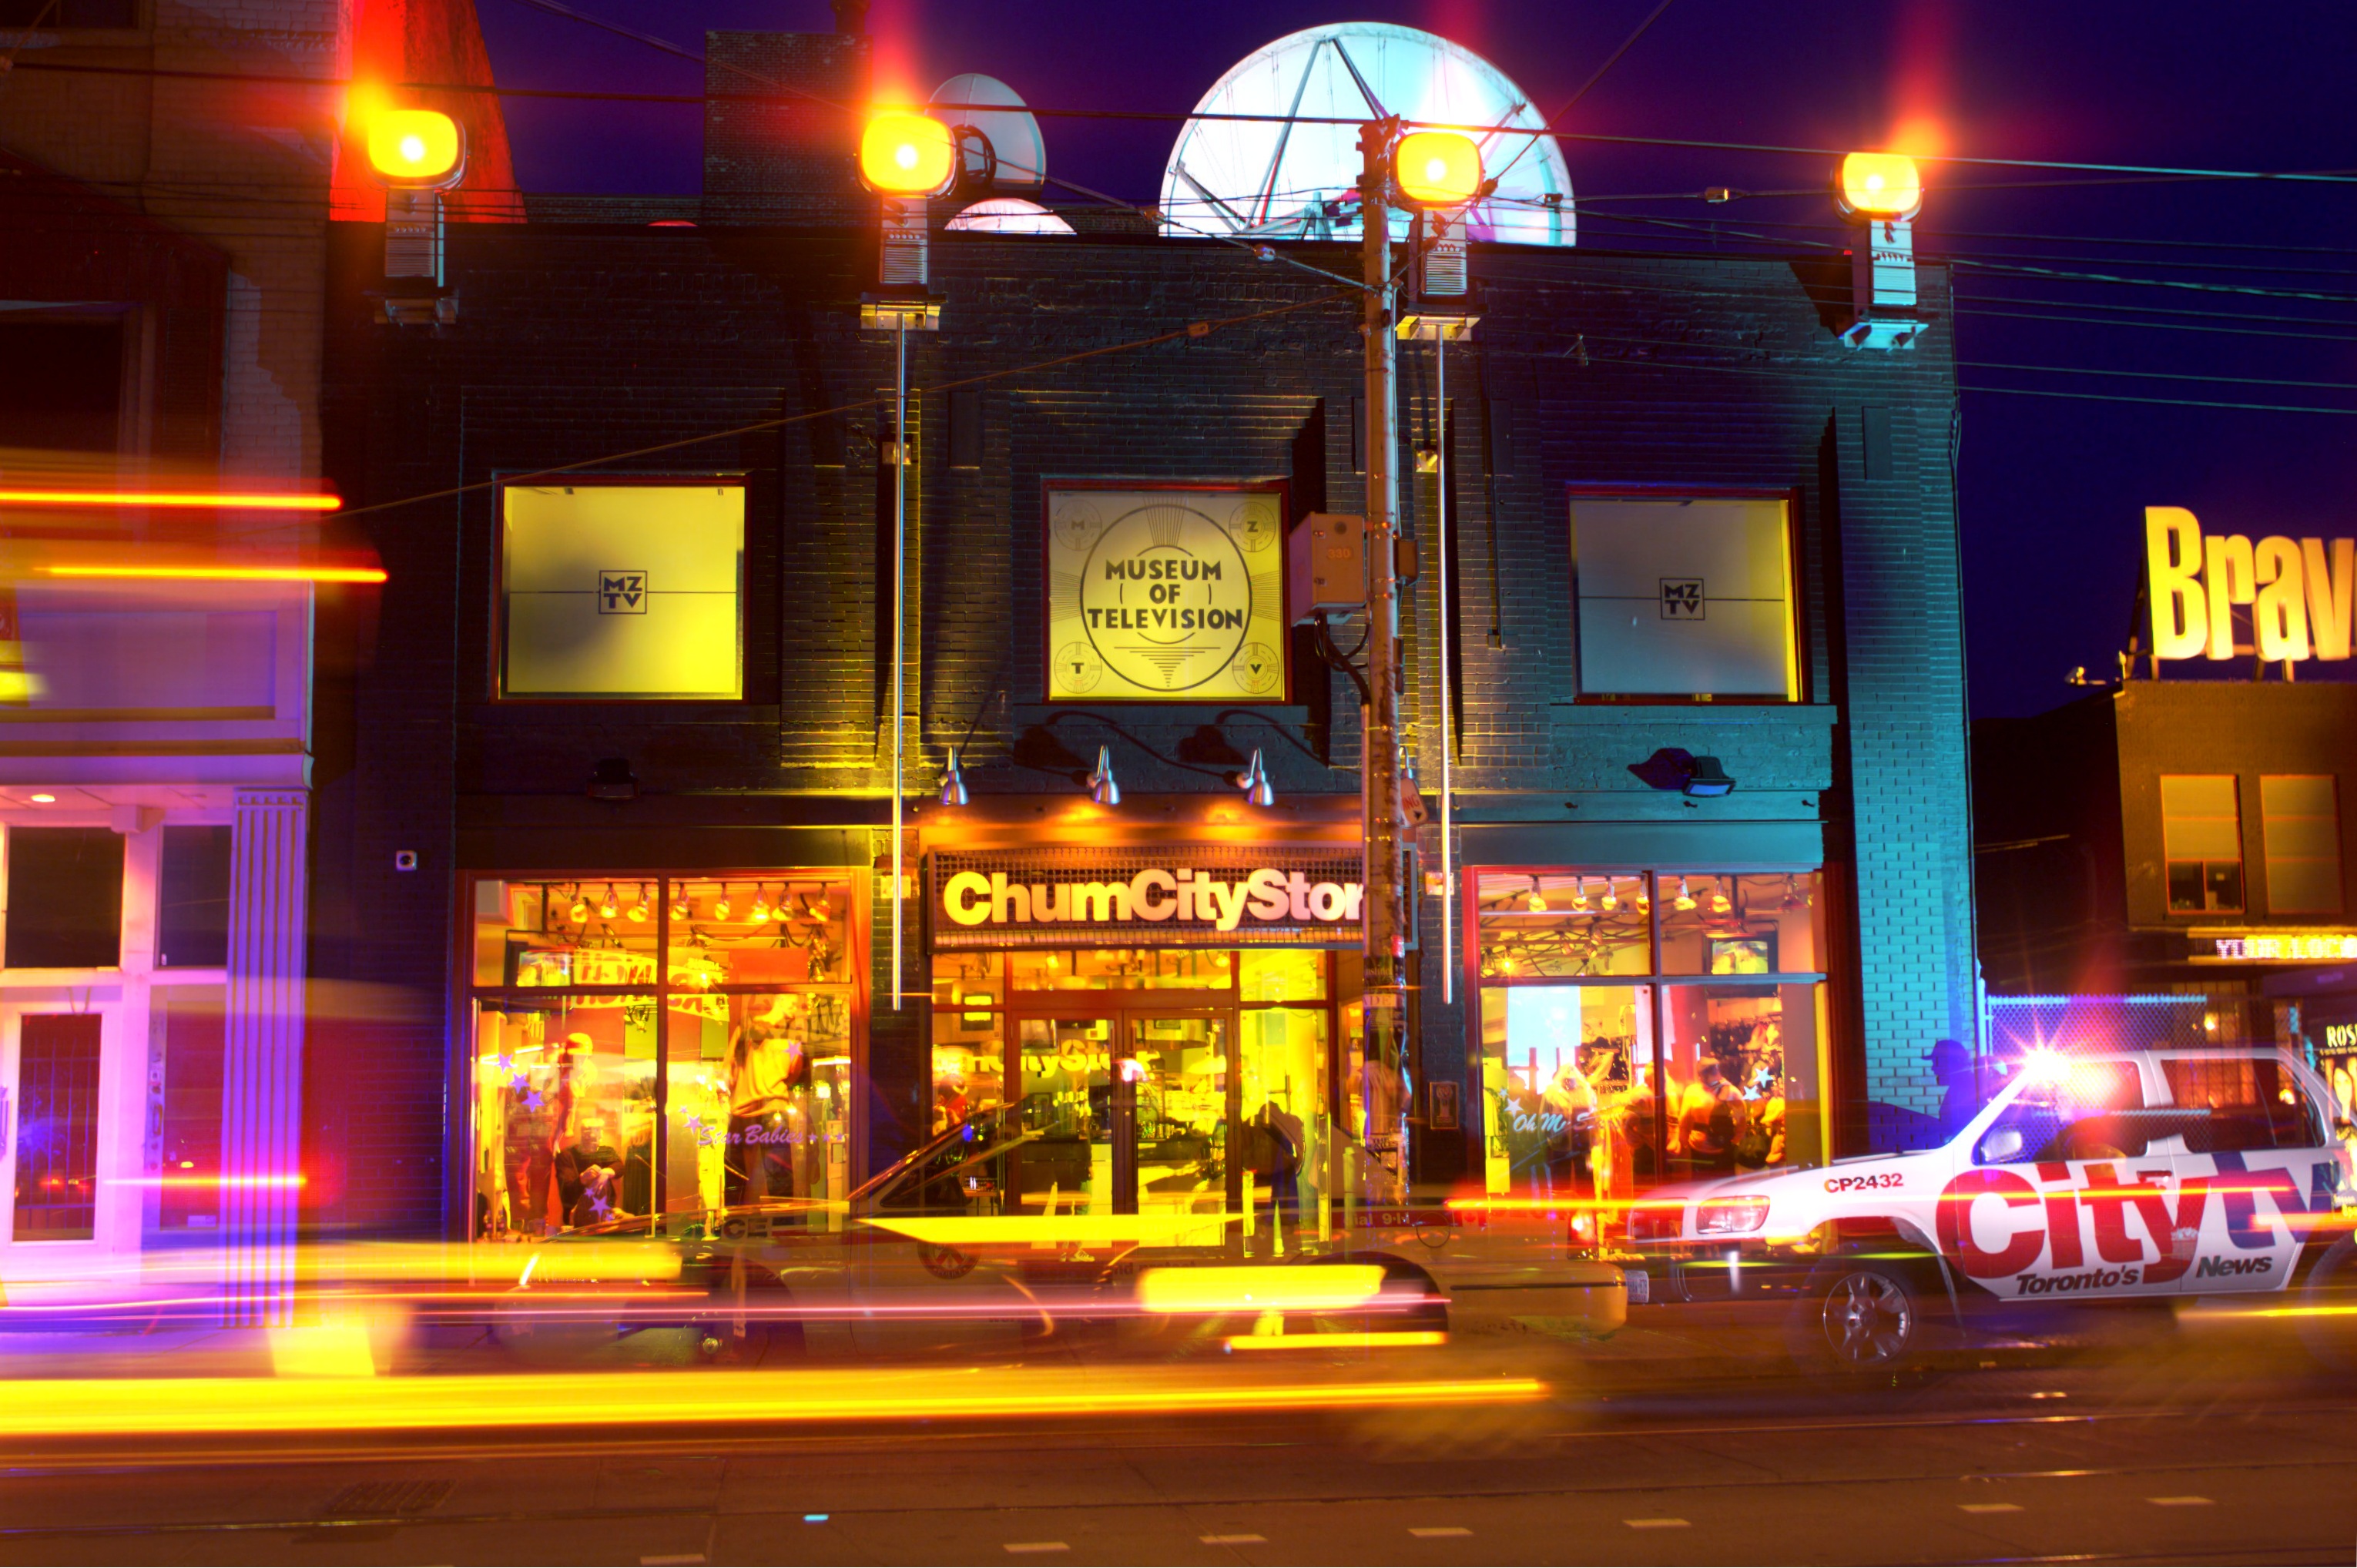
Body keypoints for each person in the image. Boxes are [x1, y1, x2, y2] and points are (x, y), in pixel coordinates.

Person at [1242, 1096, 1304, 1258]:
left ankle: (1264, 1250)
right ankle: (1291, 1251)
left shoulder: (1253, 1124)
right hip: (1285, 1175)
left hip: (1264, 1177)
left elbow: (1242, 1149)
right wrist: (1295, 1163)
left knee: (1263, 1216)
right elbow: (1300, 1149)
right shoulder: (1290, 1122)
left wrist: (1252, 1166)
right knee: (1288, 1216)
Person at [1675, 1057, 1748, 1174]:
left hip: (1723, 1150)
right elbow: (1684, 1120)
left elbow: (1742, 1122)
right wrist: (1684, 1142)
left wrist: (1734, 1142)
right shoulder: (1692, 1091)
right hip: (1697, 1149)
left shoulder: (1731, 1092)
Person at [1926, 1038, 1977, 1142]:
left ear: (1953, 1062)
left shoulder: (1967, 1089)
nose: (1933, 1068)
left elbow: (1963, 1132)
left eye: (1937, 1063)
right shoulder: (1958, 1087)